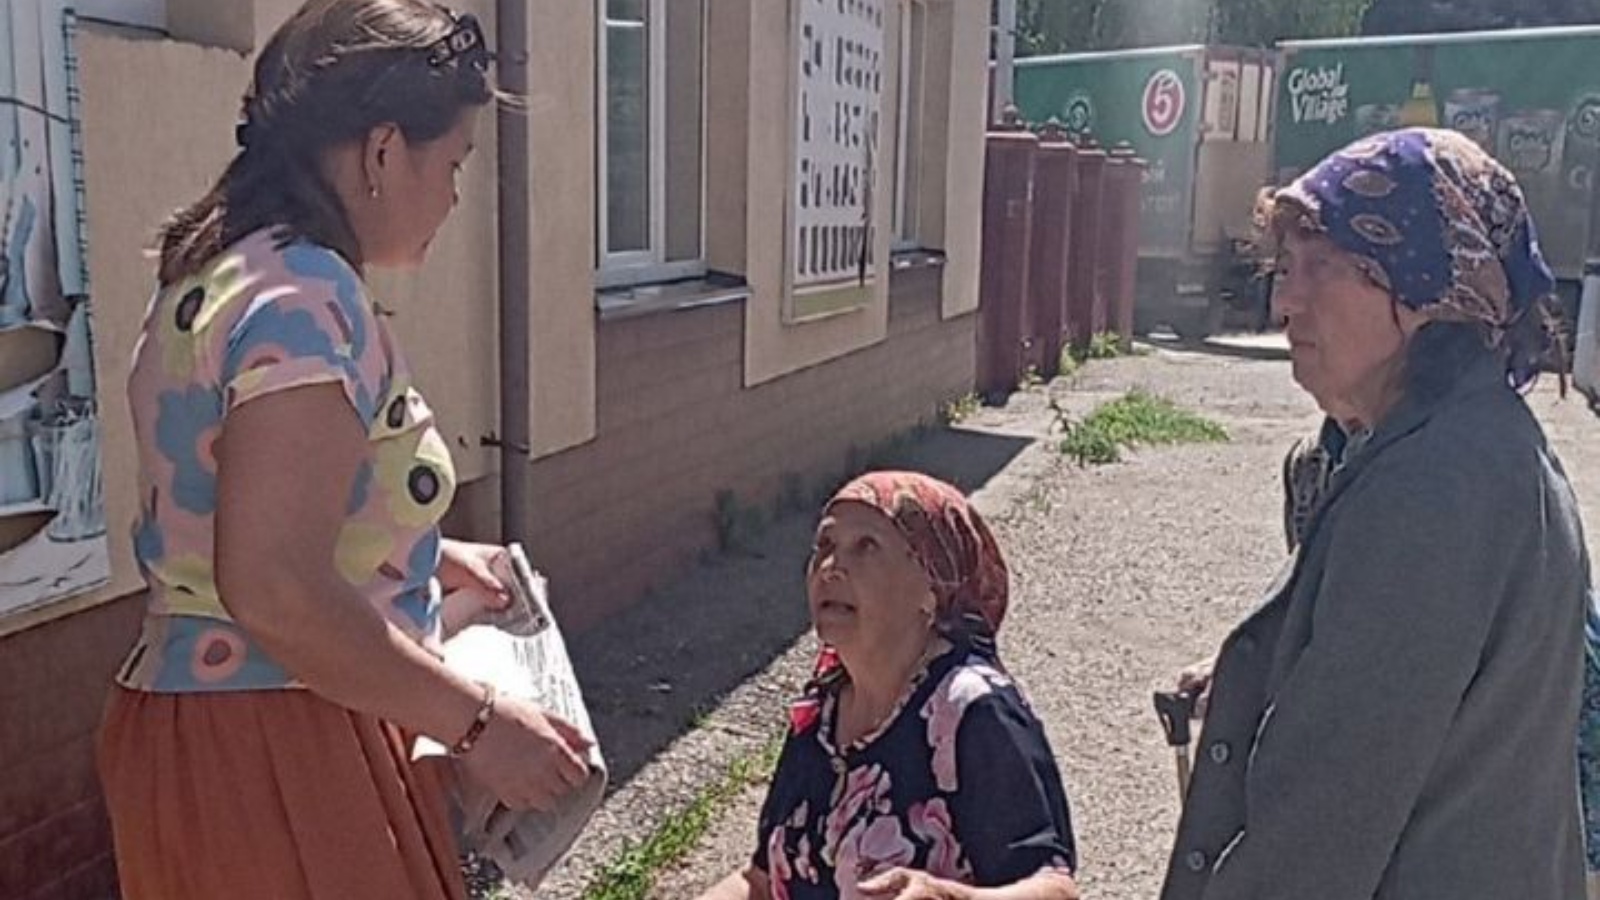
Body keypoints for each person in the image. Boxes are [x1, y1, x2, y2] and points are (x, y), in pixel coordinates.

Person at [98, 3, 591, 897]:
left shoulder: (220, 273)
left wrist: (425, 558)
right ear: (382, 151)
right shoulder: (305, 300)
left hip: (208, 727)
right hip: (282, 745)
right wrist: (481, 723)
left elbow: (238, 526)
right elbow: (275, 585)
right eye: (453, 163)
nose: (454, 196)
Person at [1160, 128, 1590, 899]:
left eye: (1322, 266)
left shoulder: (1435, 488)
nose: (1284, 301)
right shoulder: (1474, 446)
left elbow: (1321, 825)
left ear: (1427, 288)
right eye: (1285, 267)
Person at [696, 472, 1079, 900]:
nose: (831, 568)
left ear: (932, 587)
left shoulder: (973, 711)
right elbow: (762, 881)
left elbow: (1055, 890)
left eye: (866, 547)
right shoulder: (821, 709)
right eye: (824, 545)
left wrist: (949, 897)